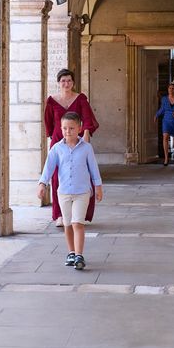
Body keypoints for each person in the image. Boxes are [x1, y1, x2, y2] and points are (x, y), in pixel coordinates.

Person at [38, 112, 103, 270]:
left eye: (72, 128)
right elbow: (49, 167)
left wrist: (98, 186)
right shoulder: (57, 149)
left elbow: (93, 168)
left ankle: (79, 255)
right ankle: (71, 252)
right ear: (61, 129)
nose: (68, 131)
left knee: (77, 223)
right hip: (64, 193)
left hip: (82, 192)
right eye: (65, 128)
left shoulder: (86, 148)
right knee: (67, 224)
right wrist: (42, 184)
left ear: (79, 128)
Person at [44, 69, 99, 226]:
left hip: (78, 140)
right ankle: (59, 215)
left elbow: (87, 119)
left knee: (81, 173)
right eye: (63, 81)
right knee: (56, 177)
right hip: (58, 140)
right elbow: (48, 122)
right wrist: (53, 139)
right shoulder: (52, 101)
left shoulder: (80, 98)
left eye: (69, 80)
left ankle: (80, 213)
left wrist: (86, 137)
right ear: (58, 83)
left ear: (73, 83)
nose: (66, 83)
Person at [154, 83, 174, 165]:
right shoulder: (164, 99)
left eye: (172, 88)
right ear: (168, 89)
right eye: (169, 88)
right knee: (165, 137)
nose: (171, 90)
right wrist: (156, 115)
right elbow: (162, 109)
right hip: (166, 120)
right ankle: (166, 159)